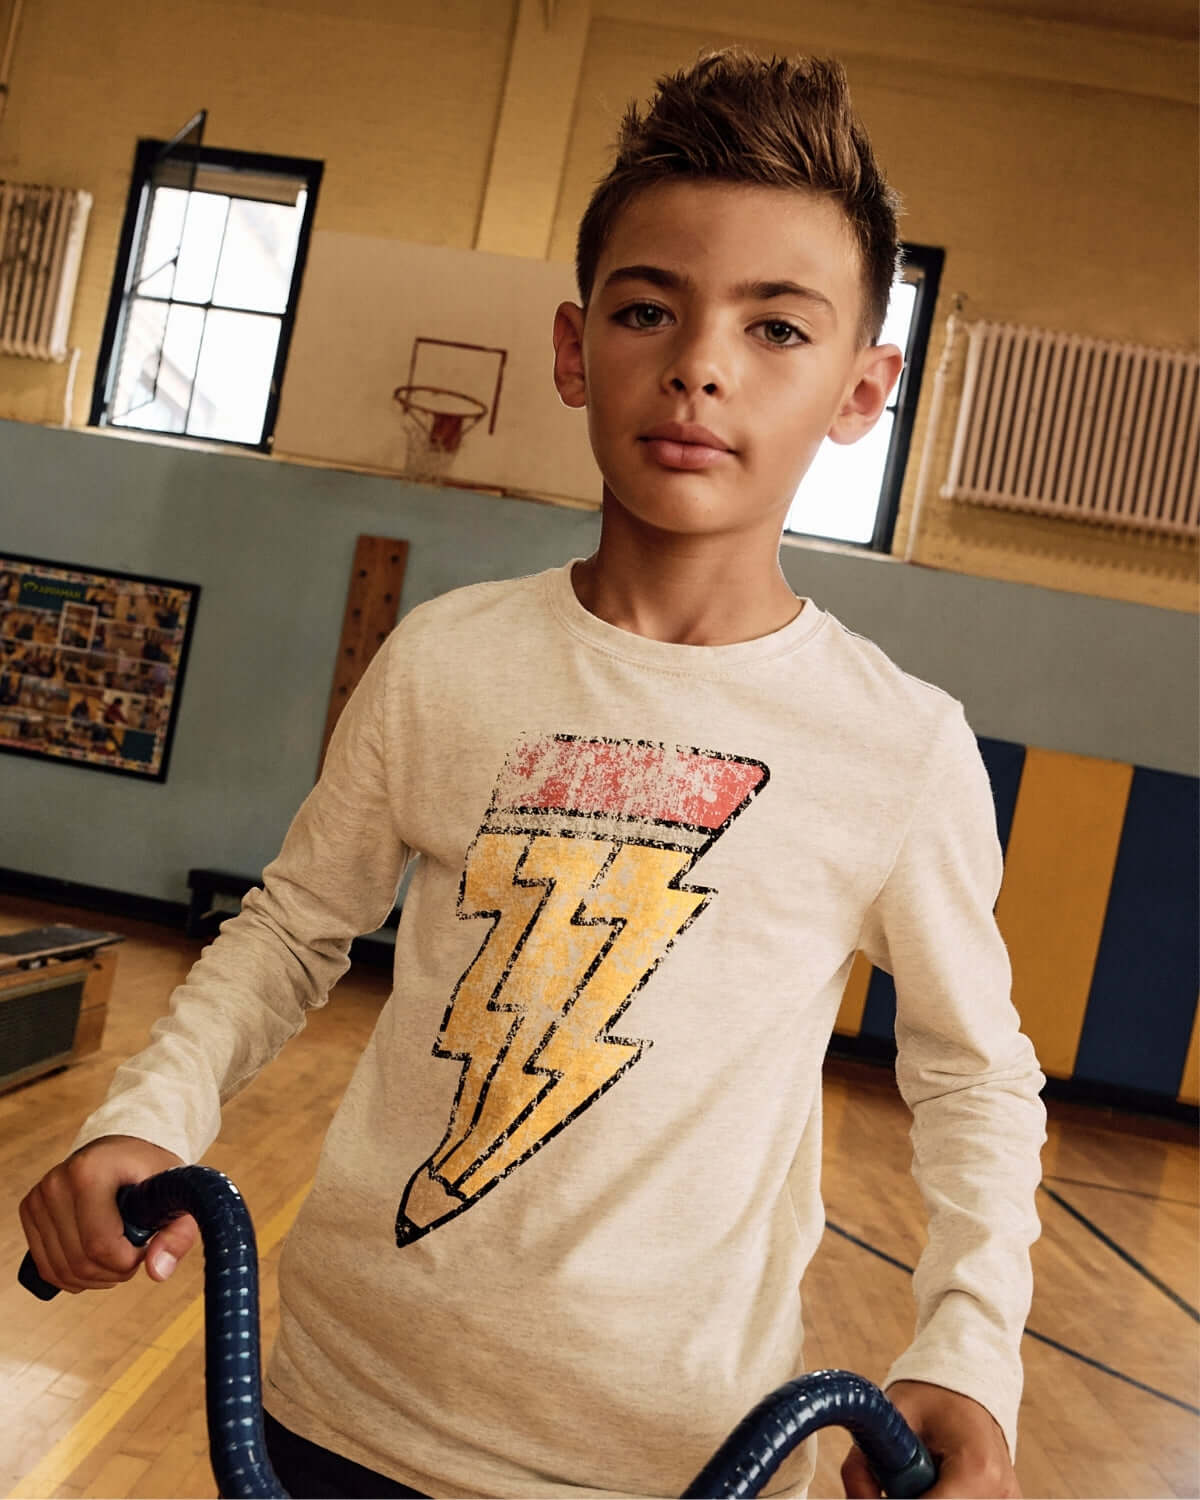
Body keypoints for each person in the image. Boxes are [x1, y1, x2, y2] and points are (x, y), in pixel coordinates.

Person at [18, 48, 1045, 1500]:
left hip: (681, 1460)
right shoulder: (447, 661)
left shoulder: (898, 745)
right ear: (574, 349)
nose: (699, 364)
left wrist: (967, 1349)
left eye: (775, 329)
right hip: (327, 1409)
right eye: (649, 309)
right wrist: (147, 1116)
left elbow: (977, 1080)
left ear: (863, 390)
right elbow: (289, 933)